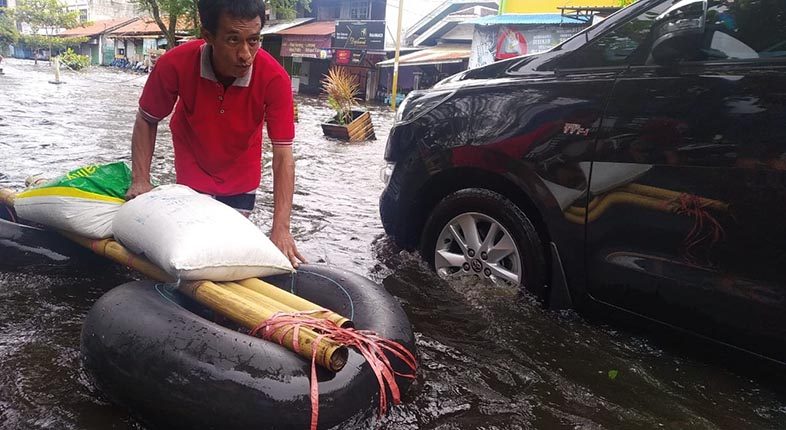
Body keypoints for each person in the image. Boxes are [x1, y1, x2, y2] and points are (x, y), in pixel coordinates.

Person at [126, 0, 306, 267]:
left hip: (240, 180)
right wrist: (140, 179)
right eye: (233, 40)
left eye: (254, 40)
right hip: (190, 178)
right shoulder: (175, 64)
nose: (246, 54)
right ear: (207, 36)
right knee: (188, 252)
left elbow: (282, 154)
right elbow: (147, 118)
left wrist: (281, 227)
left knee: (224, 255)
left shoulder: (275, 79)